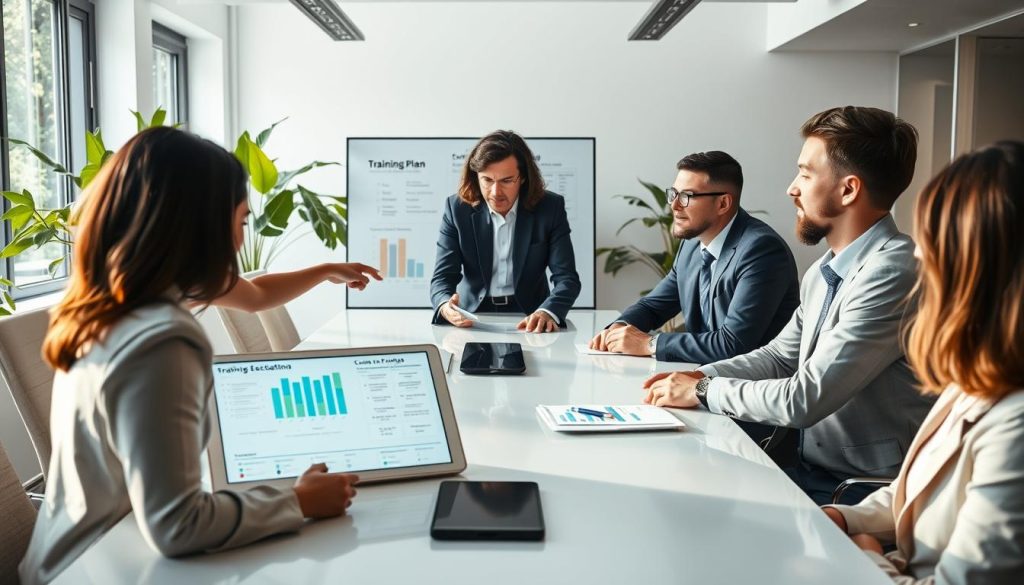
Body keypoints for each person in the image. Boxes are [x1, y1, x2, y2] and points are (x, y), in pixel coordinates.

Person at [20, 127, 359, 585]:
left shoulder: (108, 304)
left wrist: (323, 270)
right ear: (200, 225)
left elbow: (255, 294)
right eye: (240, 222)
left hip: (68, 555)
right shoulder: (163, 341)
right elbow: (177, 525)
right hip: (104, 564)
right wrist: (297, 502)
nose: (241, 241)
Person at [641, 106, 935, 504]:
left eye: (805, 173)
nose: (791, 188)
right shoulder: (824, 270)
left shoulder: (893, 271)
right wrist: (695, 375)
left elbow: (805, 398)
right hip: (809, 467)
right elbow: (781, 356)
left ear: (848, 190)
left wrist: (705, 389)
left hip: (861, 491)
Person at [823, 141, 1024, 584]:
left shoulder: (1017, 424)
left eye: (934, 240)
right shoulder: (980, 373)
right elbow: (919, 488)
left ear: (981, 267)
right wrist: (845, 519)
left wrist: (865, 557)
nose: (919, 254)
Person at [589, 150, 799, 363]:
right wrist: (621, 327)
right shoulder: (691, 245)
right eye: (673, 194)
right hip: (700, 375)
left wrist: (648, 343)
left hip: (750, 384)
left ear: (723, 204)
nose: (674, 205)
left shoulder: (761, 250)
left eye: (687, 196)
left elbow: (733, 344)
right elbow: (653, 307)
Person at [430, 130, 581, 333]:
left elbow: (567, 279)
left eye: (507, 181)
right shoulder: (457, 209)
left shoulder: (550, 208)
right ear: (476, 177)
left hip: (531, 316)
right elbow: (442, 277)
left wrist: (547, 311)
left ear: (524, 178)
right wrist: (444, 305)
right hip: (472, 316)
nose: (495, 192)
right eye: (487, 180)